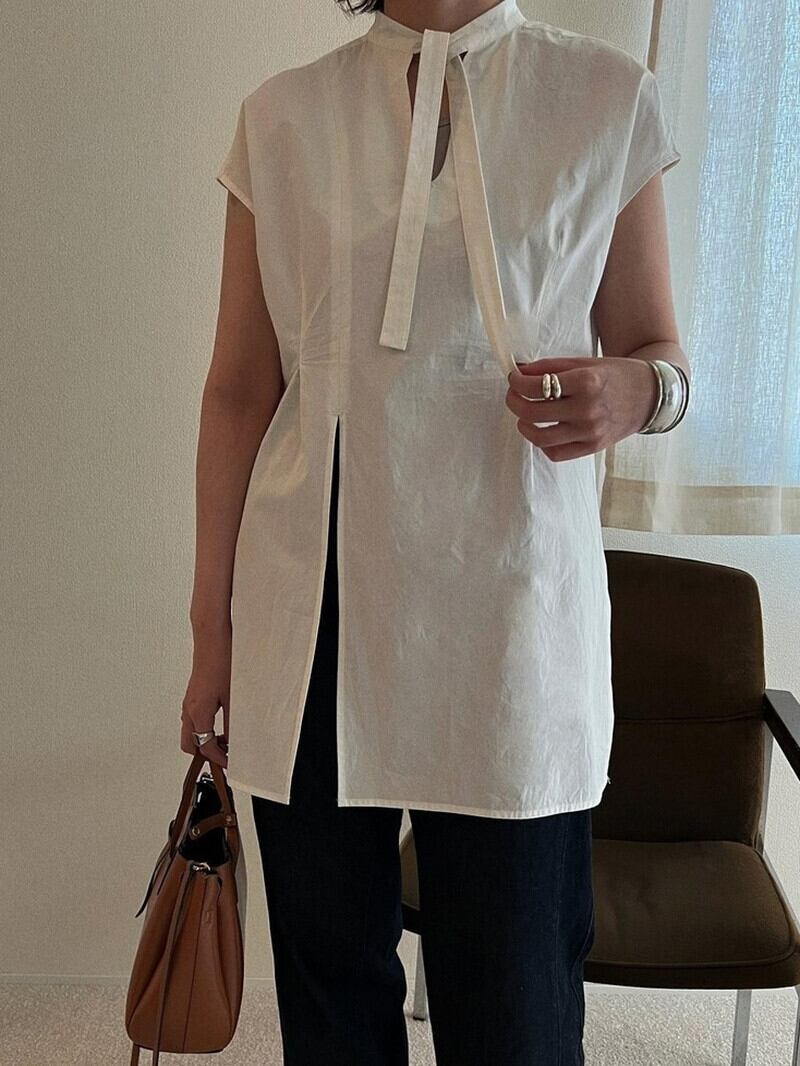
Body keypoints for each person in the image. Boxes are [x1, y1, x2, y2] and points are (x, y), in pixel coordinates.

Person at [181, 0, 691, 1062]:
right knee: (331, 999)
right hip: (313, 613)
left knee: (514, 1002)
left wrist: (635, 391)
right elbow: (239, 391)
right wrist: (210, 631)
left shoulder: (604, 98)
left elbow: (658, 350)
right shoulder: (282, 118)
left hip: (513, 606)